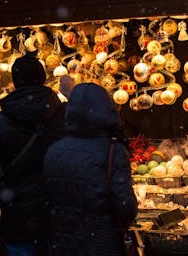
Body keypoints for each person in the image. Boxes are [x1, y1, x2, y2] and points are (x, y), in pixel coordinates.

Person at [0, 53, 66, 256]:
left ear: (15, 81)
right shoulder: (61, 116)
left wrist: (6, 199)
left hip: (18, 220)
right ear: (43, 78)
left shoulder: (0, 121)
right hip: (58, 215)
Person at [43, 83, 138, 256]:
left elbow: (48, 198)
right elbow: (125, 206)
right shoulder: (112, 151)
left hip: (62, 243)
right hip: (101, 243)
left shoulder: (53, 150)